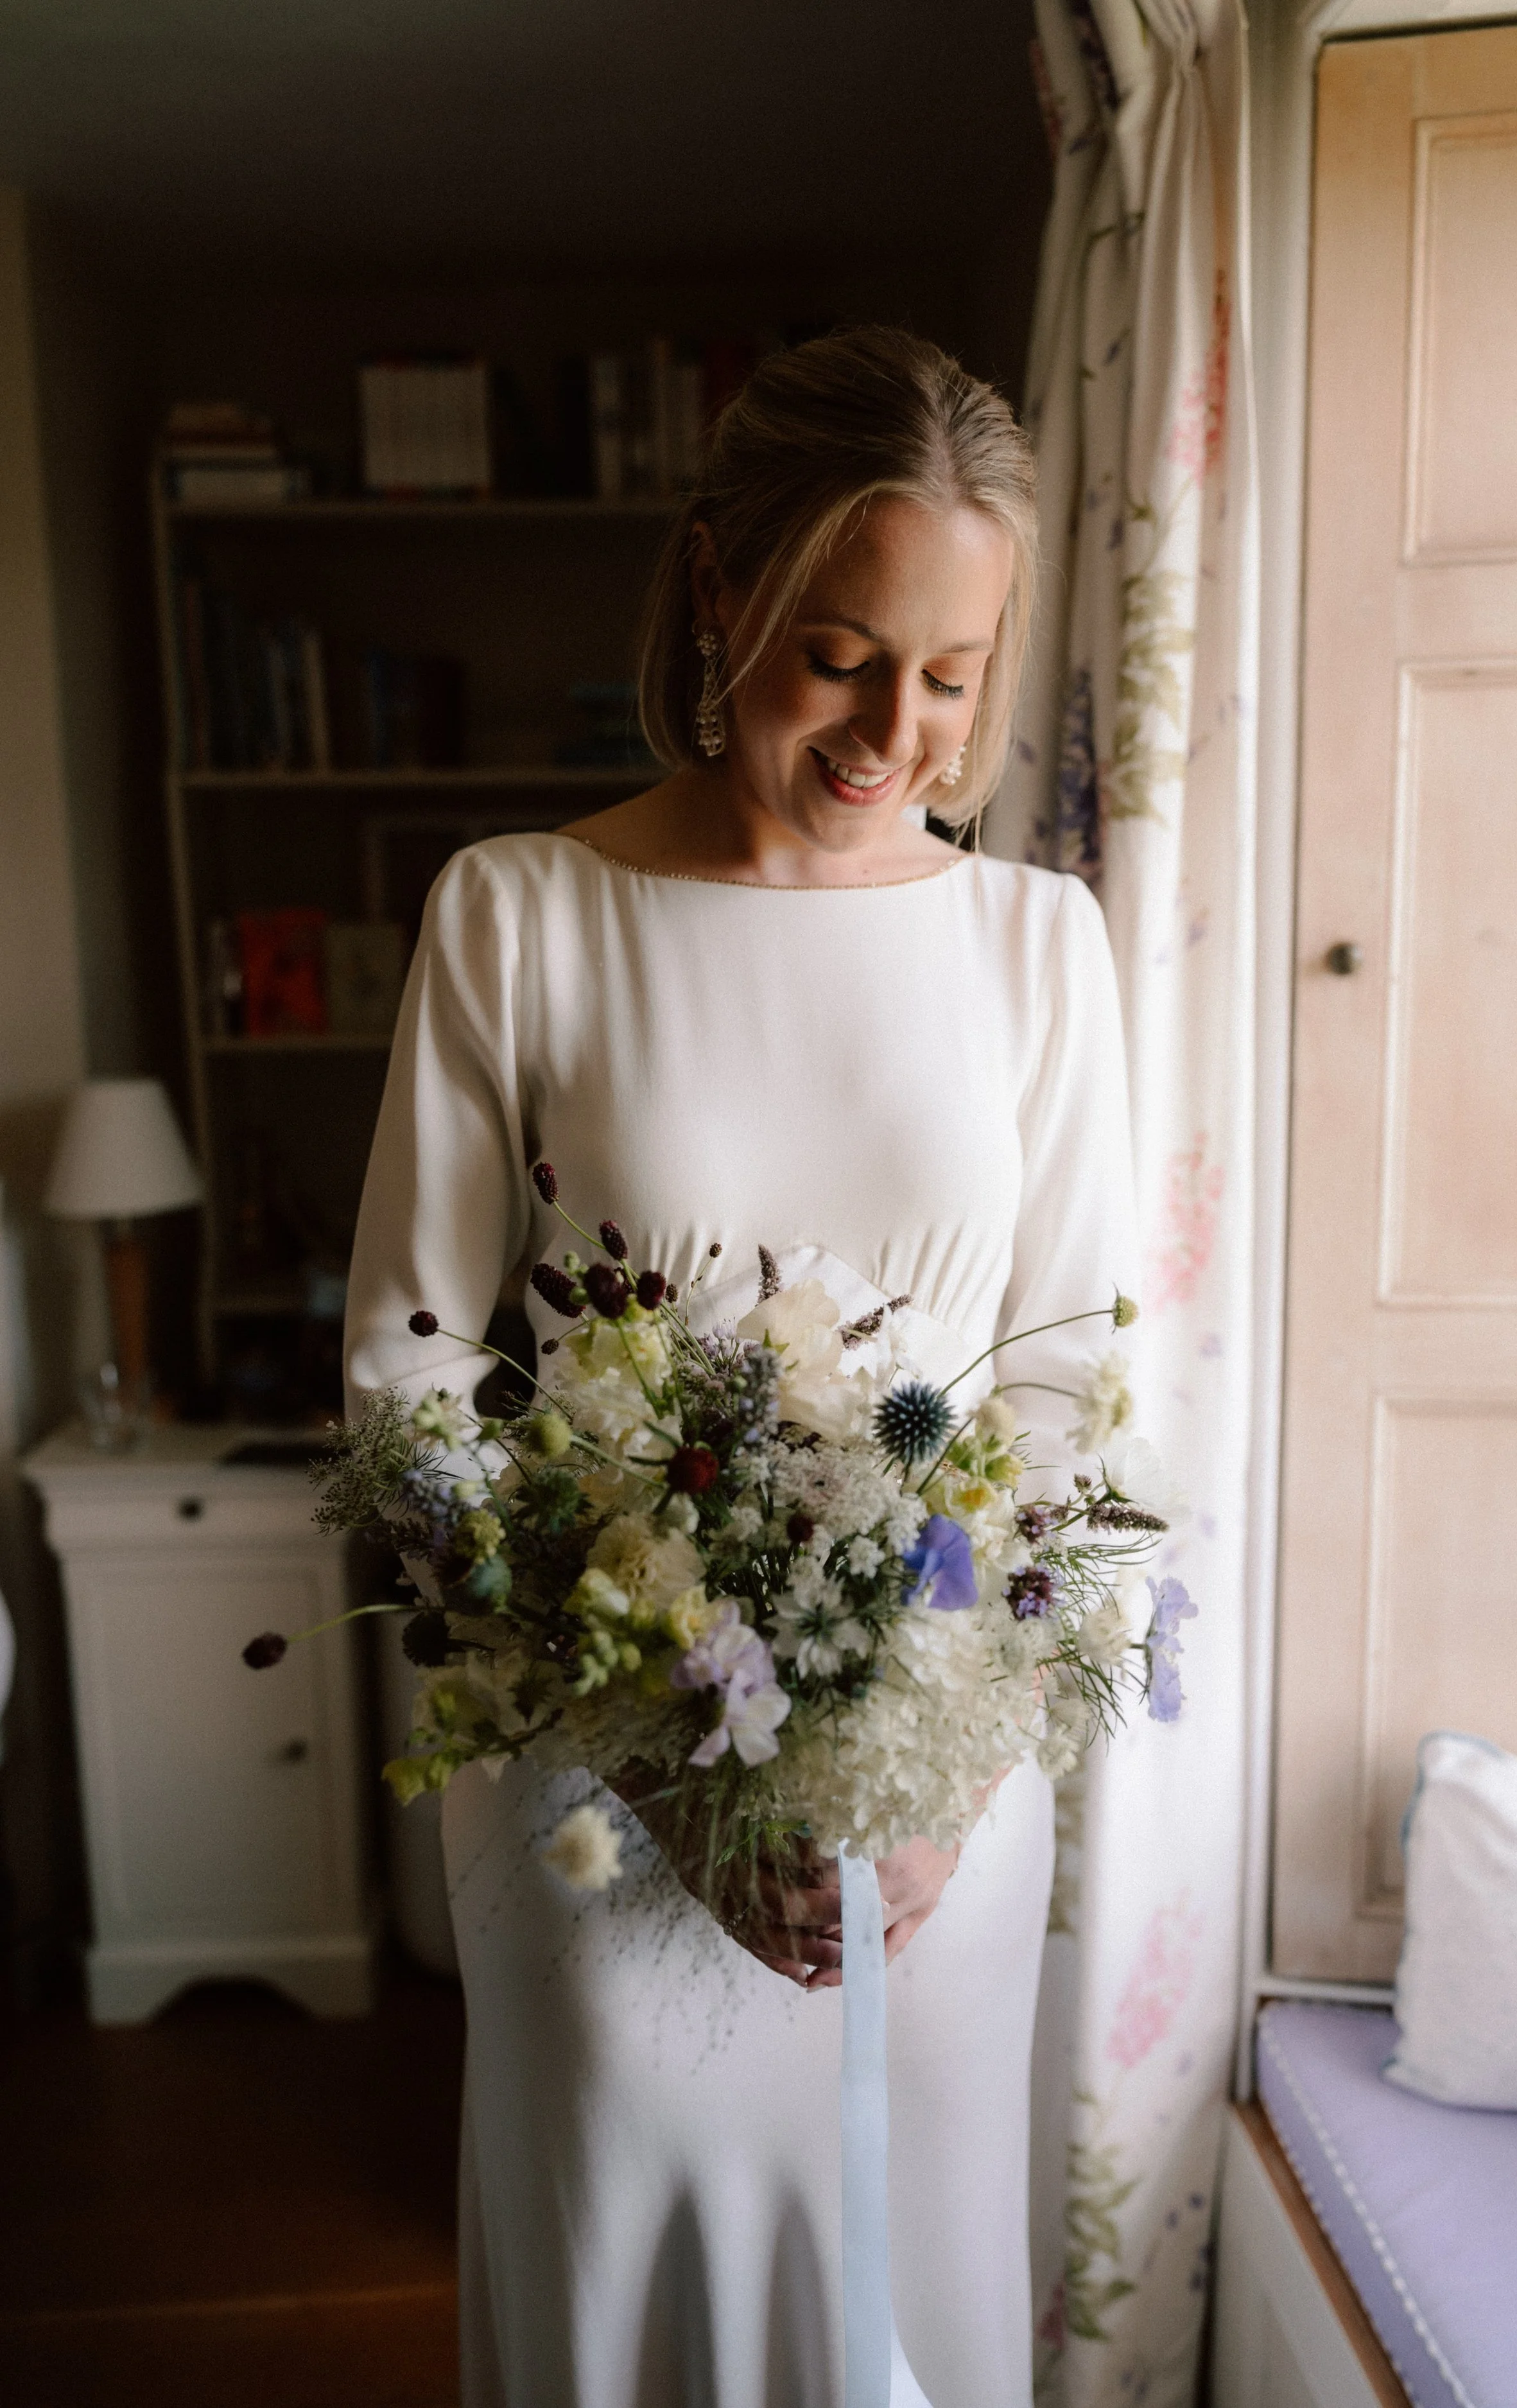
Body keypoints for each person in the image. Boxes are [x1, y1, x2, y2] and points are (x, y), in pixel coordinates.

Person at [343, 326, 1137, 2408]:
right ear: (719, 591)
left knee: (909, 2306)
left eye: (950, 678)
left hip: (931, 1825)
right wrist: (661, 1771)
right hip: (603, 1819)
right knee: (627, 2298)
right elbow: (408, 1376)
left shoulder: (1040, 950)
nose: (894, 731)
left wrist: (942, 1784)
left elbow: (1073, 1403)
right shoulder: (516, 915)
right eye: (839, 653)